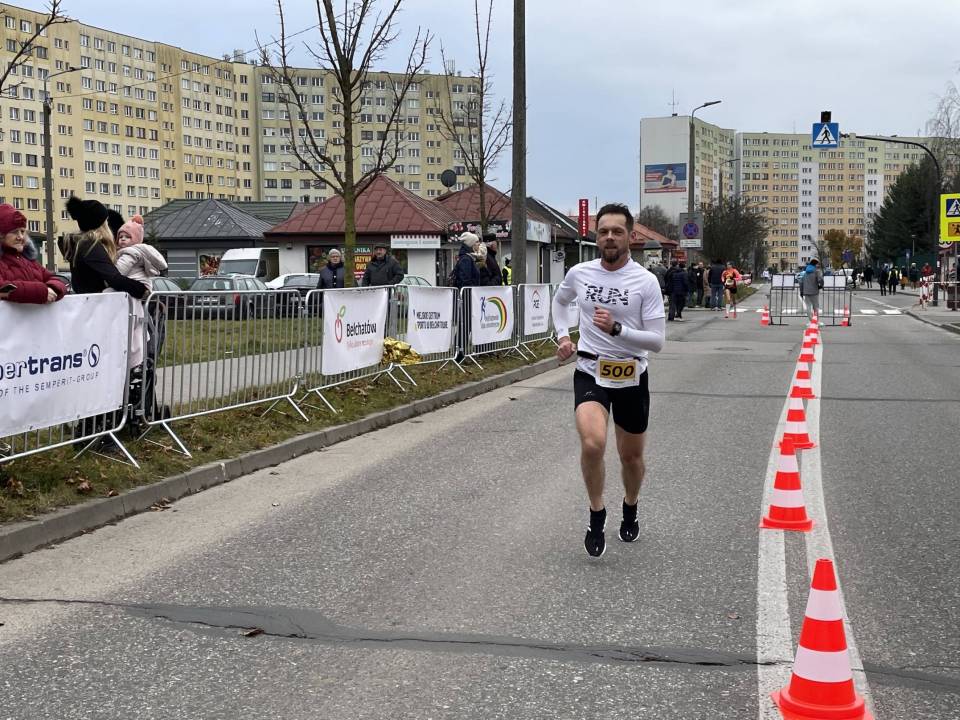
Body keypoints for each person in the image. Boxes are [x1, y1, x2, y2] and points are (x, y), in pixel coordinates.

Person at [551, 203, 666, 558]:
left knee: (631, 458)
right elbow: (560, 301)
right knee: (592, 444)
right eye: (604, 232)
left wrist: (618, 330)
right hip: (590, 370)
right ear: (596, 237)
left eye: (617, 231)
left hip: (631, 374)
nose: (610, 238)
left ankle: (630, 505)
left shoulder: (645, 281)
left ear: (630, 237)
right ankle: (596, 512)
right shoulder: (580, 273)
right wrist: (563, 336)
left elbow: (657, 341)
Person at [63, 196, 148, 300]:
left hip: (88, 301)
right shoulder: (90, 246)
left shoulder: (79, 244)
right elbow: (113, 278)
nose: (108, 223)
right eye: (106, 220)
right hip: (95, 303)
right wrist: (142, 290)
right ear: (100, 224)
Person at [0, 203, 67, 304]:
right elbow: (2, 289)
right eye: (14, 232)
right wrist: (42, 292)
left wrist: (52, 289)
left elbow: (57, 279)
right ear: (1, 235)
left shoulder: (30, 261)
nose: (20, 237)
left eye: (22, 232)